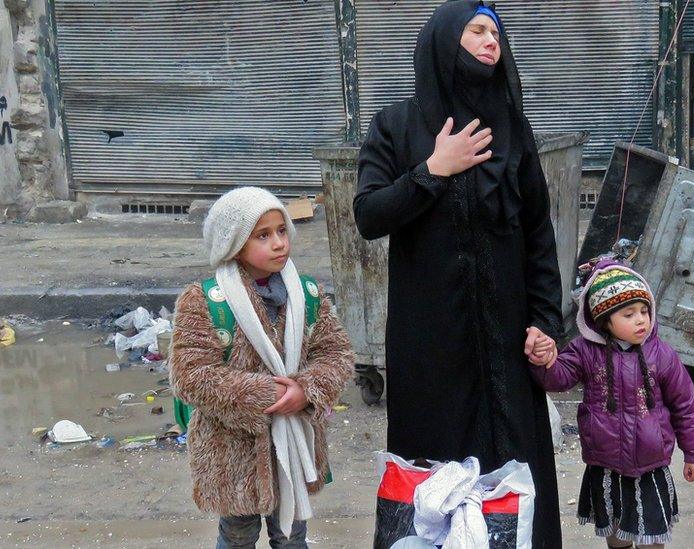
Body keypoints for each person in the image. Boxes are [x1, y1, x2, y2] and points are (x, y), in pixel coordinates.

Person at [353, 1, 563, 546]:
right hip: (431, 348)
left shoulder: (512, 129)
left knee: (515, 475)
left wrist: (546, 321)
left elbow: (539, 234)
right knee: (433, 477)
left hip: (506, 344)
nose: (492, 40)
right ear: (445, 41)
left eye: (497, 32)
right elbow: (369, 216)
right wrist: (432, 170)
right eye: (477, 30)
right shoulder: (396, 126)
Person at [170, 187, 354, 548]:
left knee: (292, 536)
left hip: (295, 444)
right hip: (232, 451)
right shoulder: (206, 302)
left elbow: (336, 353)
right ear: (235, 244)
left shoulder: (307, 295)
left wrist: (306, 389)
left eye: (282, 231)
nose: (279, 243)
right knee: (237, 535)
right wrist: (269, 395)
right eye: (263, 235)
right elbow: (191, 375)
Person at [531, 258, 694, 548]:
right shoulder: (585, 351)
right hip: (606, 463)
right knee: (615, 531)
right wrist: (545, 362)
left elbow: (686, 406)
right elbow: (558, 379)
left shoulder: (661, 355)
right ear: (604, 320)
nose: (641, 320)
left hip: (651, 464)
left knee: (651, 534)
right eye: (628, 314)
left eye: (644, 311)